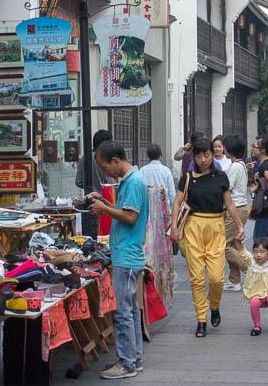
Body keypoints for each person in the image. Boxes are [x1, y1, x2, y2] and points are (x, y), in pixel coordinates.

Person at [168, 138, 245, 338]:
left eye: (207, 155)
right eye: (199, 156)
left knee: (216, 278)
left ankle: (215, 306)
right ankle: (201, 319)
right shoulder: (187, 178)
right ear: (193, 157)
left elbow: (229, 203)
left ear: (213, 155)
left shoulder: (220, 177)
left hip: (216, 227)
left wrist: (239, 225)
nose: (203, 159)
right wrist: (174, 227)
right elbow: (177, 203)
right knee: (196, 278)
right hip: (193, 228)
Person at [89, 141, 149, 379]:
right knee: (130, 311)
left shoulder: (134, 182)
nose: (105, 172)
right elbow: (124, 211)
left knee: (123, 312)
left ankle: (127, 364)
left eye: (105, 167)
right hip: (127, 253)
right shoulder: (130, 181)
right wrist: (105, 204)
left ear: (115, 160)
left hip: (127, 254)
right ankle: (134, 359)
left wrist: (104, 209)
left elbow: (130, 217)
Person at [223, 135, 250, 292]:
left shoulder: (235, 167)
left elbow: (226, 187)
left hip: (236, 209)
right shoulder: (241, 165)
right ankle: (234, 281)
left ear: (229, 149)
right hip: (241, 208)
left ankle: (249, 267)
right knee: (232, 244)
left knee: (222, 244)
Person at [76, 129, 114, 238]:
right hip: (106, 202)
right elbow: (110, 183)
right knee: (106, 236)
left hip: (89, 204)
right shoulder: (106, 159)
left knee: (90, 238)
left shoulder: (84, 158)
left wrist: (90, 186)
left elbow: (78, 182)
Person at [140, 144, 176, 210]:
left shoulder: (142, 170)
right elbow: (172, 194)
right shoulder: (166, 171)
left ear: (148, 156)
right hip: (163, 209)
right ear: (160, 155)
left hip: (147, 209)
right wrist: (172, 209)